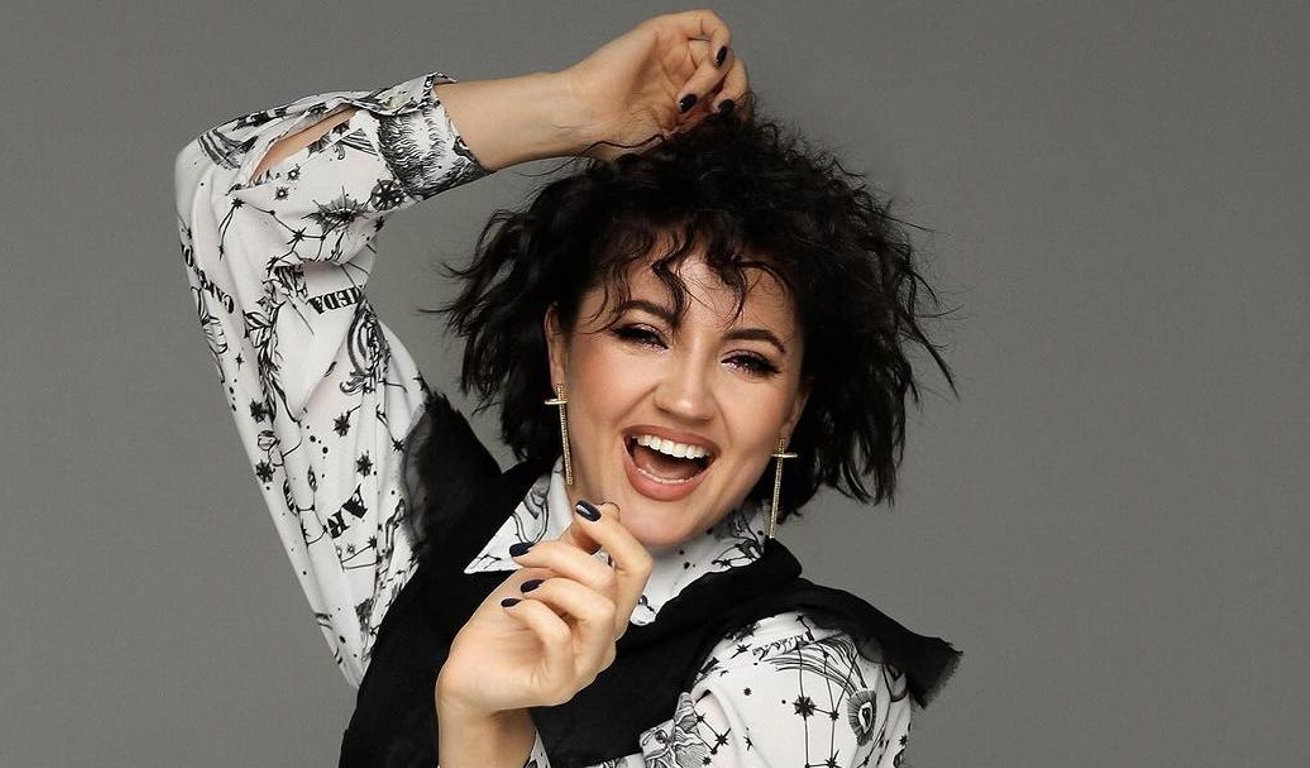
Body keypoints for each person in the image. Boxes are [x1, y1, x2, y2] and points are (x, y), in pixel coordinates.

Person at [173, 9, 959, 767]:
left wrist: (485, 733)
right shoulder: (425, 546)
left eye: (748, 361)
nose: (687, 401)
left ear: (792, 410)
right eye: (642, 333)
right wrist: (572, 108)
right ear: (559, 350)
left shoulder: (809, 681)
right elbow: (239, 201)